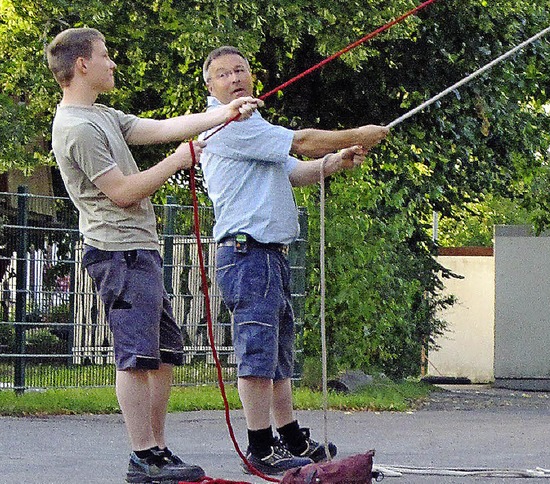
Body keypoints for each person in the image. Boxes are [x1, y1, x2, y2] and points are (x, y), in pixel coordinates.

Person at [45, 29, 261, 484]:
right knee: (136, 357)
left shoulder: (100, 114)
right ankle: (143, 455)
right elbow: (123, 192)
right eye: (105, 55)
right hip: (116, 252)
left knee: (164, 353)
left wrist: (224, 114)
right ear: (82, 65)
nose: (112, 63)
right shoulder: (77, 127)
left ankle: (158, 451)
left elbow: (159, 129)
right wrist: (177, 162)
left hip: (139, 248)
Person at [199, 45, 390, 475]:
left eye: (241, 70)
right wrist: (354, 133)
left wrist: (335, 161)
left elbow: (298, 169)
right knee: (258, 353)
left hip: (268, 256)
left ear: (252, 77)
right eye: (224, 74)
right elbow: (301, 141)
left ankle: (290, 437)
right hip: (247, 253)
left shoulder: (254, 125)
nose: (235, 78)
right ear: (210, 87)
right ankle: (261, 447)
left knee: (278, 356)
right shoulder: (227, 126)